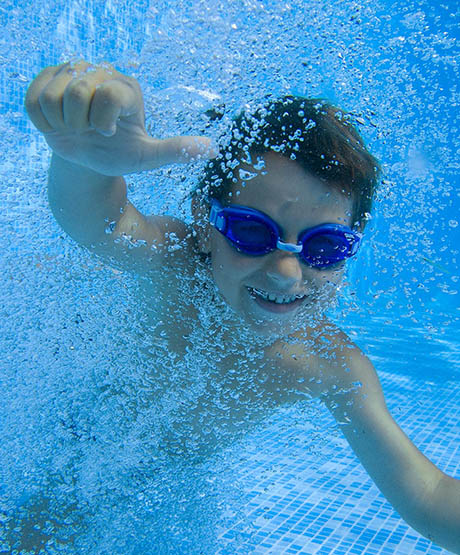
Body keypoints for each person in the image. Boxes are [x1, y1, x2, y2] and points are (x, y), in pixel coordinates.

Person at [23, 61, 459, 552]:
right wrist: (85, 162)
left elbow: (428, 495)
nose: (286, 272)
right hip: (86, 432)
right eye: (252, 232)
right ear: (205, 222)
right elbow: (99, 223)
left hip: (173, 469)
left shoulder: (329, 363)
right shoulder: (177, 264)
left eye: (325, 248)